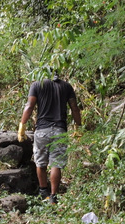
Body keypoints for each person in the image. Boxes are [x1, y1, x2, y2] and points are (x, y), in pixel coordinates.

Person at [17, 75, 82, 204]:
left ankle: (43, 192)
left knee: (40, 162)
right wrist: (78, 126)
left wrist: (22, 126)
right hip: (60, 131)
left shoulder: (37, 85)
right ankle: (53, 197)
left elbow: (29, 106)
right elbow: (74, 107)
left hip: (42, 131)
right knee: (56, 164)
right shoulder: (66, 86)